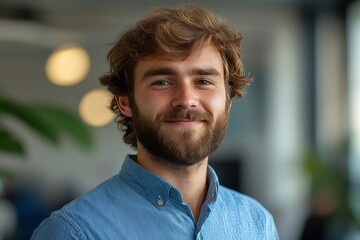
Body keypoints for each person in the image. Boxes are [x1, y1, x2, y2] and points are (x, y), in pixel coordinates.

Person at [31, 4, 279, 239]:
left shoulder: (257, 223)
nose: (186, 99)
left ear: (227, 101)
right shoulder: (73, 232)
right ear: (125, 102)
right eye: (162, 82)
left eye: (204, 81)